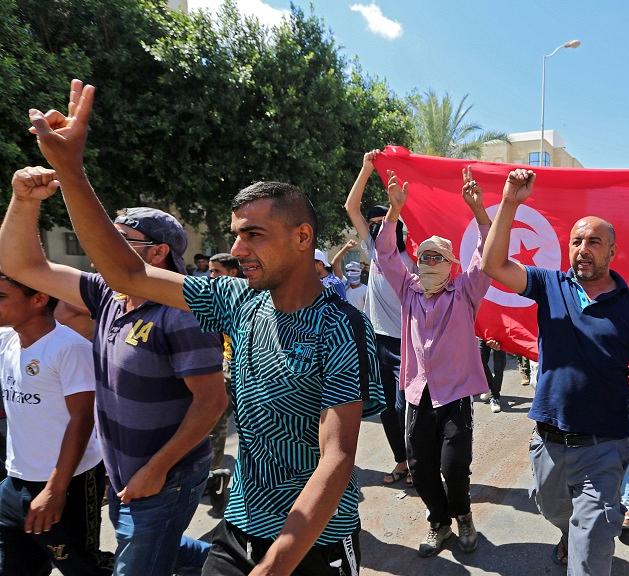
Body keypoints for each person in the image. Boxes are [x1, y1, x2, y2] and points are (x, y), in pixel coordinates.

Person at [21, 79, 383, 575]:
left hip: (312, 544)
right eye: (236, 235)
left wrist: (275, 567)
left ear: (303, 237)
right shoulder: (235, 300)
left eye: (253, 234)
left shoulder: (342, 327)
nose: (236, 251)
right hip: (237, 531)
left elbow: (337, 458)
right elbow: (128, 273)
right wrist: (70, 171)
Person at [2, 173, 226, 575]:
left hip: (165, 476)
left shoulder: (184, 312)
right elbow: (22, 265)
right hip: (124, 472)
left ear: (157, 253)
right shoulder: (108, 293)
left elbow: (212, 402)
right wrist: (24, 201)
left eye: (121, 241)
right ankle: (230, 564)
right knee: (146, 545)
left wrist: (155, 469)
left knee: (136, 561)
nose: (100, 248)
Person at [482, 169, 629, 576]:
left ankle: (583, 536)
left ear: (612, 251)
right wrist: (510, 202)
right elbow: (494, 265)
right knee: (552, 507)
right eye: (577, 241)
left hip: (604, 446)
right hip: (548, 441)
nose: (583, 248)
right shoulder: (549, 284)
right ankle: (571, 530)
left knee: (591, 552)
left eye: (594, 242)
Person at [377, 168, 492, 557]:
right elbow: (386, 254)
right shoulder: (408, 291)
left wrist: (479, 212)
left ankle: (463, 516)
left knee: (454, 466)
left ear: (449, 264)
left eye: (436, 257)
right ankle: (439, 521)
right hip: (417, 395)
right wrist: (395, 212)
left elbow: (486, 257)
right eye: (423, 256)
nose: (427, 262)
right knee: (420, 467)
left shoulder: (464, 292)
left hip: (455, 394)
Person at [0, 274, 111, 575]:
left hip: (67, 484)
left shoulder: (69, 348)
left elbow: (83, 417)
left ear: (38, 300)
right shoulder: (7, 340)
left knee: (82, 567)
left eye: (1, 297)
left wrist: (55, 489)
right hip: (15, 483)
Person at [345, 149, 413, 488]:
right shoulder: (373, 249)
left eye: (383, 222)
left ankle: (418, 463)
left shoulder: (414, 256)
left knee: (408, 407)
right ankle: (402, 461)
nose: (374, 228)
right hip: (378, 341)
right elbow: (350, 207)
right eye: (371, 225)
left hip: (410, 343)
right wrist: (366, 169)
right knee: (387, 407)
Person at [206, 253, 242, 511]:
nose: (211, 277)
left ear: (231, 273)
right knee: (216, 422)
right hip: (226, 367)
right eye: (210, 271)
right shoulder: (214, 299)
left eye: (216, 271)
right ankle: (212, 473)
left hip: (249, 370)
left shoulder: (246, 297)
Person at [478, 338, 506, 413]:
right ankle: (489, 388)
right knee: (479, 363)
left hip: (500, 335)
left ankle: (495, 396)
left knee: (499, 367)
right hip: (483, 335)